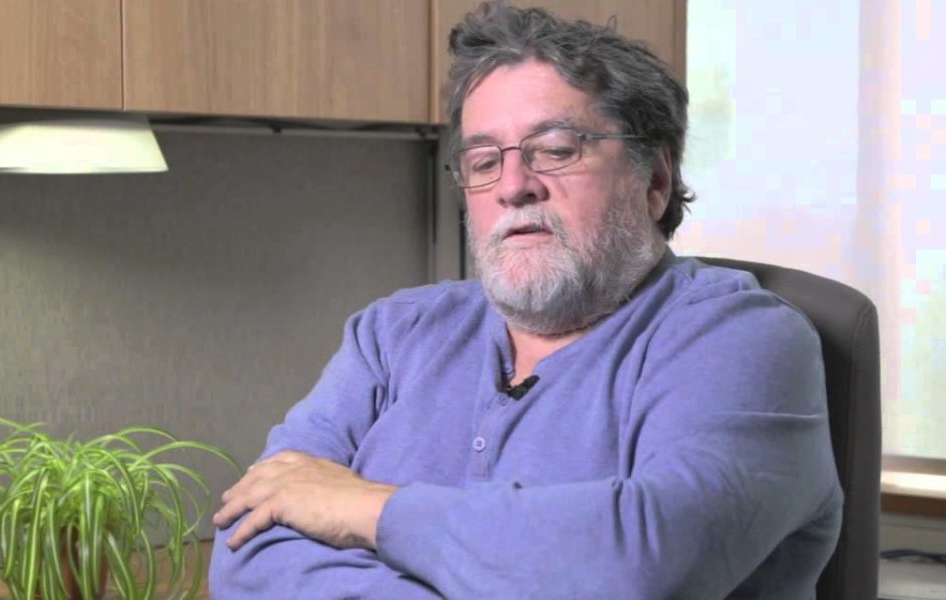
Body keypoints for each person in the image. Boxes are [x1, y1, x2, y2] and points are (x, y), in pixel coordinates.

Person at [208, 2, 843, 598]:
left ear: (653, 181)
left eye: (557, 150)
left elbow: (645, 558)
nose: (514, 186)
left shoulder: (743, 340)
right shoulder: (392, 334)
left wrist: (360, 507)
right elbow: (247, 542)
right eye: (484, 161)